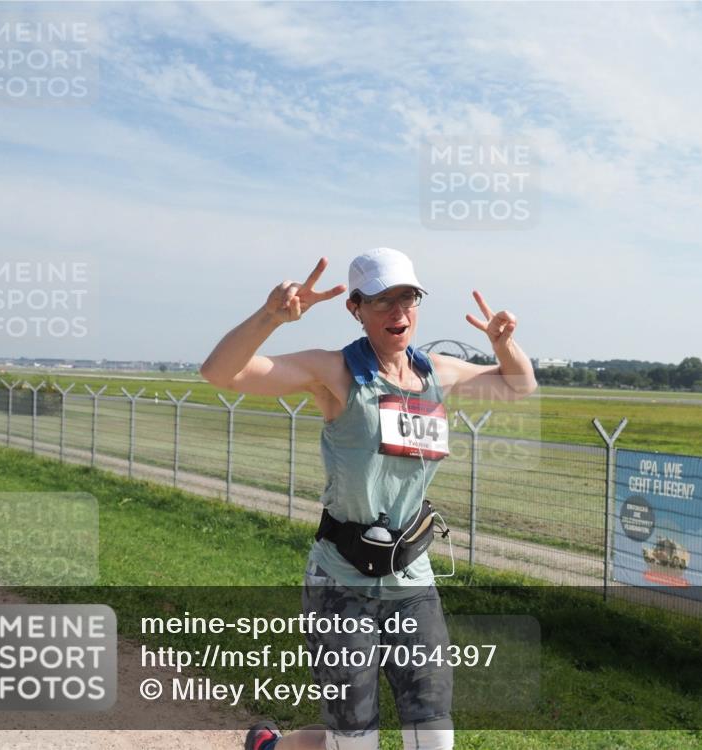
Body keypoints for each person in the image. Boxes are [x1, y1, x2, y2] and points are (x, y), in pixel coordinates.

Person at [199, 247, 536, 750]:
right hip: (341, 581)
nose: (398, 312)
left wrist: (504, 345)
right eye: (381, 301)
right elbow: (219, 373)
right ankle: (270, 747)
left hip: (412, 581)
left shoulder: (434, 374)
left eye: (408, 298)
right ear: (355, 308)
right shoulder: (334, 372)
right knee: (354, 741)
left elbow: (518, 386)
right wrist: (270, 316)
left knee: (434, 738)